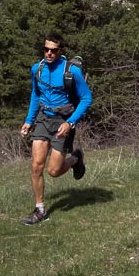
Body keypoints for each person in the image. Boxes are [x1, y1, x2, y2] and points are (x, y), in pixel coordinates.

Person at [19, 32, 93, 225]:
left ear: (61, 51)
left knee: (53, 171)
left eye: (53, 50)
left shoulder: (72, 72)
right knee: (36, 165)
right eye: (46, 49)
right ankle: (40, 210)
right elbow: (36, 95)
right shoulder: (37, 69)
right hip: (44, 118)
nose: (49, 53)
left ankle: (76, 158)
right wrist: (29, 121)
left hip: (64, 120)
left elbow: (86, 98)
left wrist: (70, 123)